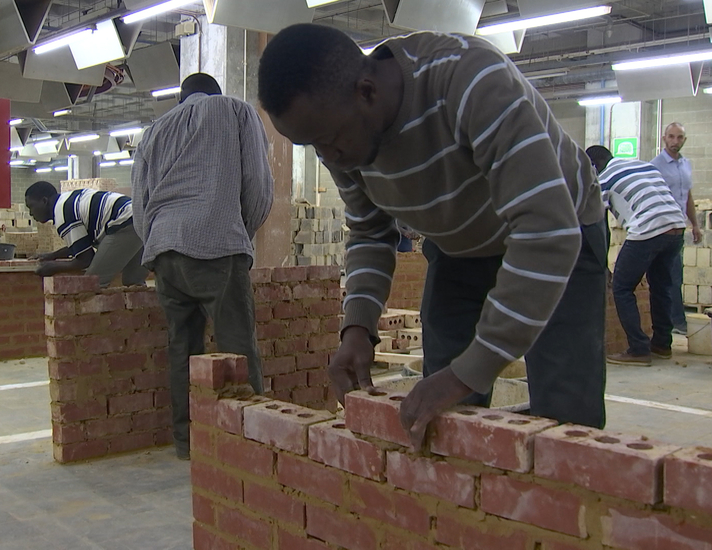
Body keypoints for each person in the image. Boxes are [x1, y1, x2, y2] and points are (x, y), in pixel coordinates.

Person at [258, 24, 609, 450]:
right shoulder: (341, 135)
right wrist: (358, 328)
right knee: (440, 415)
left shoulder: (468, 80)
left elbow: (546, 229)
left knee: (566, 416)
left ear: (366, 91)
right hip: (459, 246)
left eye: (329, 140)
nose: (329, 158)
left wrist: (470, 371)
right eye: (312, 146)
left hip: (561, 228)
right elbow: (370, 231)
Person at [131, 73, 274, 460]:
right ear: (214, 92)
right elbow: (257, 185)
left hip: (164, 248)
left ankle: (186, 442)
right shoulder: (235, 111)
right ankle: (249, 445)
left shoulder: (154, 130)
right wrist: (238, 231)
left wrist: (156, 246)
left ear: (181, 97)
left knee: (182, 348)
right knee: (238, 346)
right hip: (216, 242)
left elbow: (139, 204)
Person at [586, 146, 686, 366]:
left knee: (622, 287)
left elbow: (599, 226)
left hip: (648, 228)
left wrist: (602, 265)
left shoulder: (603, 178)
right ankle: (662, 344)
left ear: (594, 165)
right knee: (661, 286)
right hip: (676, 225)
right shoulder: (642, 164)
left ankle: (639, 349)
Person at [24, 181, 148, 287]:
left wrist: (53, 267)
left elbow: (85, 259)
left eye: (31, 207)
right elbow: (80, 246)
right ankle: (144, 314)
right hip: (142, 220)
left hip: (125, 224)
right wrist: (53, 255)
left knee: (91, 284)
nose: (30, 213)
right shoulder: (67, 201)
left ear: (44, 201)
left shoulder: (63, 213)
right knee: (134, 282)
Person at [650, 122, 701, 335]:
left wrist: (695, 225)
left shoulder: (686, 165)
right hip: (661, 229)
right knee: (666, 277)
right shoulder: (655, 166)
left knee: (675, 276)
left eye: (679, 138)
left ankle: (675, 323)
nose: (675, 142)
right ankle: (674, 323)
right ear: (664, 139)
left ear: (684, 140)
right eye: (671, 137)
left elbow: (687, 196)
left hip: (679, 229)